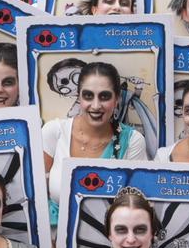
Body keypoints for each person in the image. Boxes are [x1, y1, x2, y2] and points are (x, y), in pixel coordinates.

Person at [42, 62, 148, 224]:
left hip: (111, 244)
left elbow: (137, 205)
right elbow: (37, 196)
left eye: (104, 96)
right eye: (88, 96)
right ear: (78, 97)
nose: (96, 105)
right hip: (56, 240)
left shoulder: (133, 141)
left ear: (117, 99)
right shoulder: (54, 132)